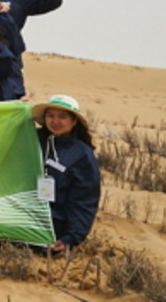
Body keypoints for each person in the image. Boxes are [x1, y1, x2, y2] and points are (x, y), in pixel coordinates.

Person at [33, 95, 100, 251]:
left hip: (55, 226)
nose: (55, 121)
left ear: (74, 121)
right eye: (50, 116)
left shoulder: (82, 155)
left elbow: (84, 200)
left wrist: (71, 237)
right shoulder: (33, 141)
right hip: (27, 216)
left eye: (62, 117)